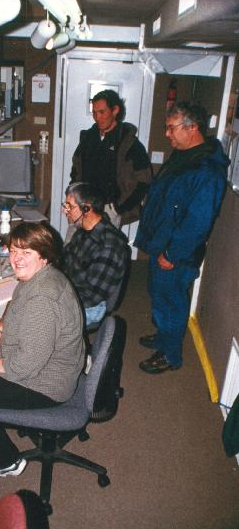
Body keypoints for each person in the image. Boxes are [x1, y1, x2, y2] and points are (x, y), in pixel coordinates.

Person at [0, 222, 85, 477]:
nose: (17, 259)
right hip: (47, 365)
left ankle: (7, 461)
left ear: (43, 255)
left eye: (26, 252)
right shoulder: (37, 277)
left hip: (47, 385)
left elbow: (25, 366)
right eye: (14, 251)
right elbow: (16, 303)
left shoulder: (43, 298)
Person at [134, 101, 229, 374]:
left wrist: (172, 253)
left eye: (170, 128)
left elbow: (197, 223)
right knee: (158, 295)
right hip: (162, 243)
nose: (167, 134)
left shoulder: (207, 169)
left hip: (177, 252)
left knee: (171, 303)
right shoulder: (185, 154)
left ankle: (170, 355)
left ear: (192, 128)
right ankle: (164, 338)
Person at [70, 89, 153, 227]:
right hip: (83, 207)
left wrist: (118, 208)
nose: (97, 117)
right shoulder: (88, 138)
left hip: (109, 211)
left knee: (103, 248)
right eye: (94, 113)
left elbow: (144, 181)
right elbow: (76, 170)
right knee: (72, 246)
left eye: (102, 112)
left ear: (115, 110)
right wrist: (74, 198)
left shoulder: (129, 143)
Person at [61, 182, 129, 327]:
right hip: (69, 290)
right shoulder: (83, 229)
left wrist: (53, 296)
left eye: (69, 207)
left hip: (88, 308)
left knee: (35, 319)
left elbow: (91, 297)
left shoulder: (108, 246)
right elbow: (64, 258)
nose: (64, 211)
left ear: (87, 209)